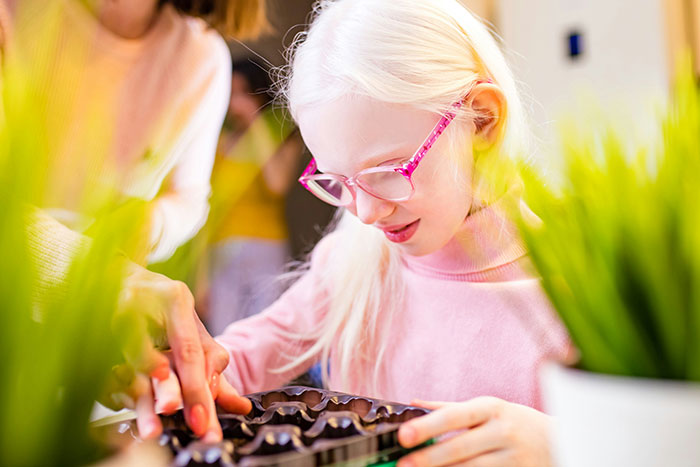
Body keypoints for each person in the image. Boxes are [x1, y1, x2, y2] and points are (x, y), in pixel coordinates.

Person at [213, 0, 571, 465]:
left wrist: (567, 443)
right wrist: (181, 370)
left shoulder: (578, 292)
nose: (363, 212)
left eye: (385, 170)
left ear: (481, 120)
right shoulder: (349, 263)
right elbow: (236, 361)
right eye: (337, 181)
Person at [0, 0, 266, 443]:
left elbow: (190, 199)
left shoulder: (200, 57)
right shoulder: (15, 16)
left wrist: (141, 231)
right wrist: (100, 274)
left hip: (96, 322)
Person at [204, 57, 303, 335]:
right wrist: (200, 277)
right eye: (231, 93)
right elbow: (205, 210)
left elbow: (277, 184)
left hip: (267, 247)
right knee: (224, 335)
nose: (235, 102)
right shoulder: (218, 142)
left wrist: (256, 123)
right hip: (221, 252)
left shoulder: (283, 137)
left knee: (266, 333)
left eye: (242, 93)